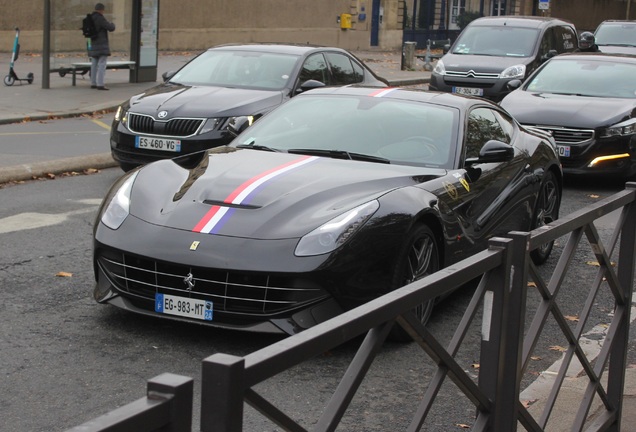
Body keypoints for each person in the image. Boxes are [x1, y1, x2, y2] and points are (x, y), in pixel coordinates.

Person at [88, 3, 116, 90]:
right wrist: (113, 24)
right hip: (101, 45)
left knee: (94, 64)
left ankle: (93, 83)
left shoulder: (90, 18)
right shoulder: (100, 18)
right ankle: (100, 84)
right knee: (102, 64)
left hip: (93, 44)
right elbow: (110, 28)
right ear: (101, 10)